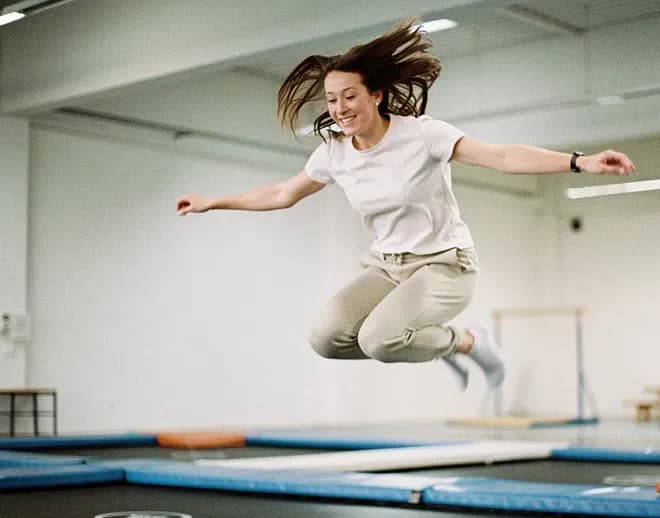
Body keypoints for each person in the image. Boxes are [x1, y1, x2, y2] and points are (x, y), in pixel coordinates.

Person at [176, 17, 635, 391]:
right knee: (326, 338)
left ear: (375, 95)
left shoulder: (422, 135)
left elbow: (501, 158)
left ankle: (468, 342)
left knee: (380, 338)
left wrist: (580, 161)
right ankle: (431, 343)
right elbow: (282, 193)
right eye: (332, 100)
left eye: (349, 96)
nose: (339, 108)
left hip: (445, 264)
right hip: (387, 268)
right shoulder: (334, 152)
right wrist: (213, 202)